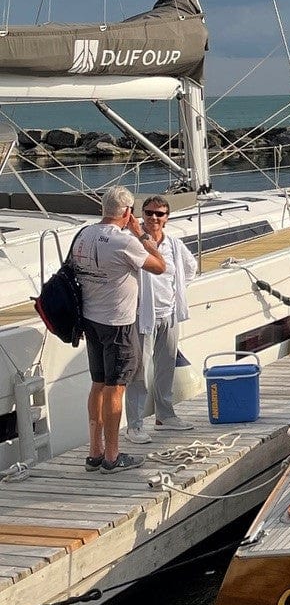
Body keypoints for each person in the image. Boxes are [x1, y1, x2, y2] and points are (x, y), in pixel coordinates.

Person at [72, 186, 165, 473]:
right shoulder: (124, 241)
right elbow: (159, 266)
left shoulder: (82, 235)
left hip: (90, 319)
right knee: (116, 387)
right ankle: (112, 456)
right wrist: (140, 234)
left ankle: (95, 451)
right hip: (118, 323)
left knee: (98, 383)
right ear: (127, 212)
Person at [125, 196, 198, 443]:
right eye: (149, 213)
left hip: (169, 313)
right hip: (141, 315)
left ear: (167, 217)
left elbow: (190, 267)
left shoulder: (174, 244)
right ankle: (134, 425)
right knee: (138, 372)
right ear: (141, 215)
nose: (154, 218)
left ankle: (165, 416)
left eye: (160, 214)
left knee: (165, 366)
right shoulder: (132, 241)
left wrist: (179, 291)